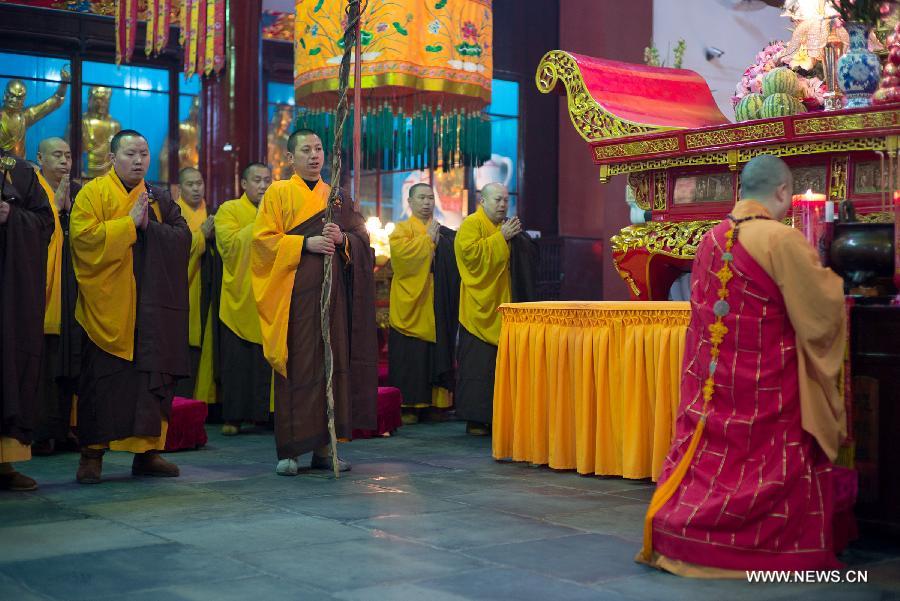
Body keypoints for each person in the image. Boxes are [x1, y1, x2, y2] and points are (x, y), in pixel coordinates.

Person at [638, 155, 848, 575]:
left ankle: (683, 527)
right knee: (767, 467)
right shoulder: (781, 240)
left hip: (717, 389)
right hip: (769, 389)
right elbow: (822, 311)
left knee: (713, 466)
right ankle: (759, 546)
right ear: (783, 192)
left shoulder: (710, 239)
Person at [251, 129, 377, 476]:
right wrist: (303, 245)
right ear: (290, 158)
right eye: (305, 150)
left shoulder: (335, 196)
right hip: (294, 297)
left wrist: (344, 239)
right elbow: (261, 243)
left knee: (330, 368)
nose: (314, 155)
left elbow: (363, 238)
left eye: (319, 148)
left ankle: (326, 448)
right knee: (298, 367)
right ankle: (291, 450)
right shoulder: (278, 192)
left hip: (332, 301)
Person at [70, 129, 191, 484]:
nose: (139, 161)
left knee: (150, 381)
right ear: (112, 158)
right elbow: (83, 239)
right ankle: (92, 455)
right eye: (130, 154)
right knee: (103, 383)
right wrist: (128, 226)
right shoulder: (93, 193)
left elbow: (183, 235)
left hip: (152, 310)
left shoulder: (157, 198)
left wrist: (149, 228)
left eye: (144, 154)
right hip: (107, 307)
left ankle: (147, 452)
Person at [454, 182, 538, 436]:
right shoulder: (471, 225)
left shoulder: (505, 227)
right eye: (497, 200)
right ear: (483, 201)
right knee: (478, 367)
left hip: (504, 306)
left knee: (501, 368)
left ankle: (501, 416)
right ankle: (477, 419)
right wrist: (501, 239)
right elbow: (470, 257)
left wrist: (518, 240)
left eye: (505, 200)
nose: (502, 205)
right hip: (479, 309)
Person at [0, 147, 55, 491]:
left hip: (12, 294)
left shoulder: (18, 170)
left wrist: (12, 215)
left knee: (12, 366)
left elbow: (45, 222)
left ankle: (6, 464)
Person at [388, 183, 460, 424]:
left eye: (430, 197)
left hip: (436, 296)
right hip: (411, 298)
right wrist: (427, 243)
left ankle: (434, 404)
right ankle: (408, 404)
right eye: (421, 197)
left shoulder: (442, 230)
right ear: (410, 201)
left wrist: (439, 242)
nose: (427, 202)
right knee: (411, 354)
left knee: (435, 351)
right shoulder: (401, 230)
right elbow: (401, 259)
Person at [215, 163, 273, 435]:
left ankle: (265, 415)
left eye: (267, 181)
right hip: (239, 297)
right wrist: (261, 221)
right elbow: (230, 245)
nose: (263, 186)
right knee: (238, 362)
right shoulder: (229, 210)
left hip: (269, 298)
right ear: (243, 184)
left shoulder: (277, 213)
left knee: (266, 363)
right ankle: (234, 416)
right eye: (257, 180)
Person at [32, 137, 82, 455]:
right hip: (40, 292)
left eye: (68, 155)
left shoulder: (76, 192)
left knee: (68, 363)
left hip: (69, 291)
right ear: (40, 158)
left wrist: (67, 213)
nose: (64, 161)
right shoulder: (30, 190)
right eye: (56, 155)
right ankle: (40, 432)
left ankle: (63, 429)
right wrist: (55, 212)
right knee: (43, 367)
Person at [175, 167, 215, 400]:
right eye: (190, 184)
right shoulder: (175, 212)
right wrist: (201, 235)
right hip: (186, 287)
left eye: (199, 183)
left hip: (206, 285)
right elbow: (174, 247)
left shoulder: (210, 211)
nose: (196, 188)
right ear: (179, 189)